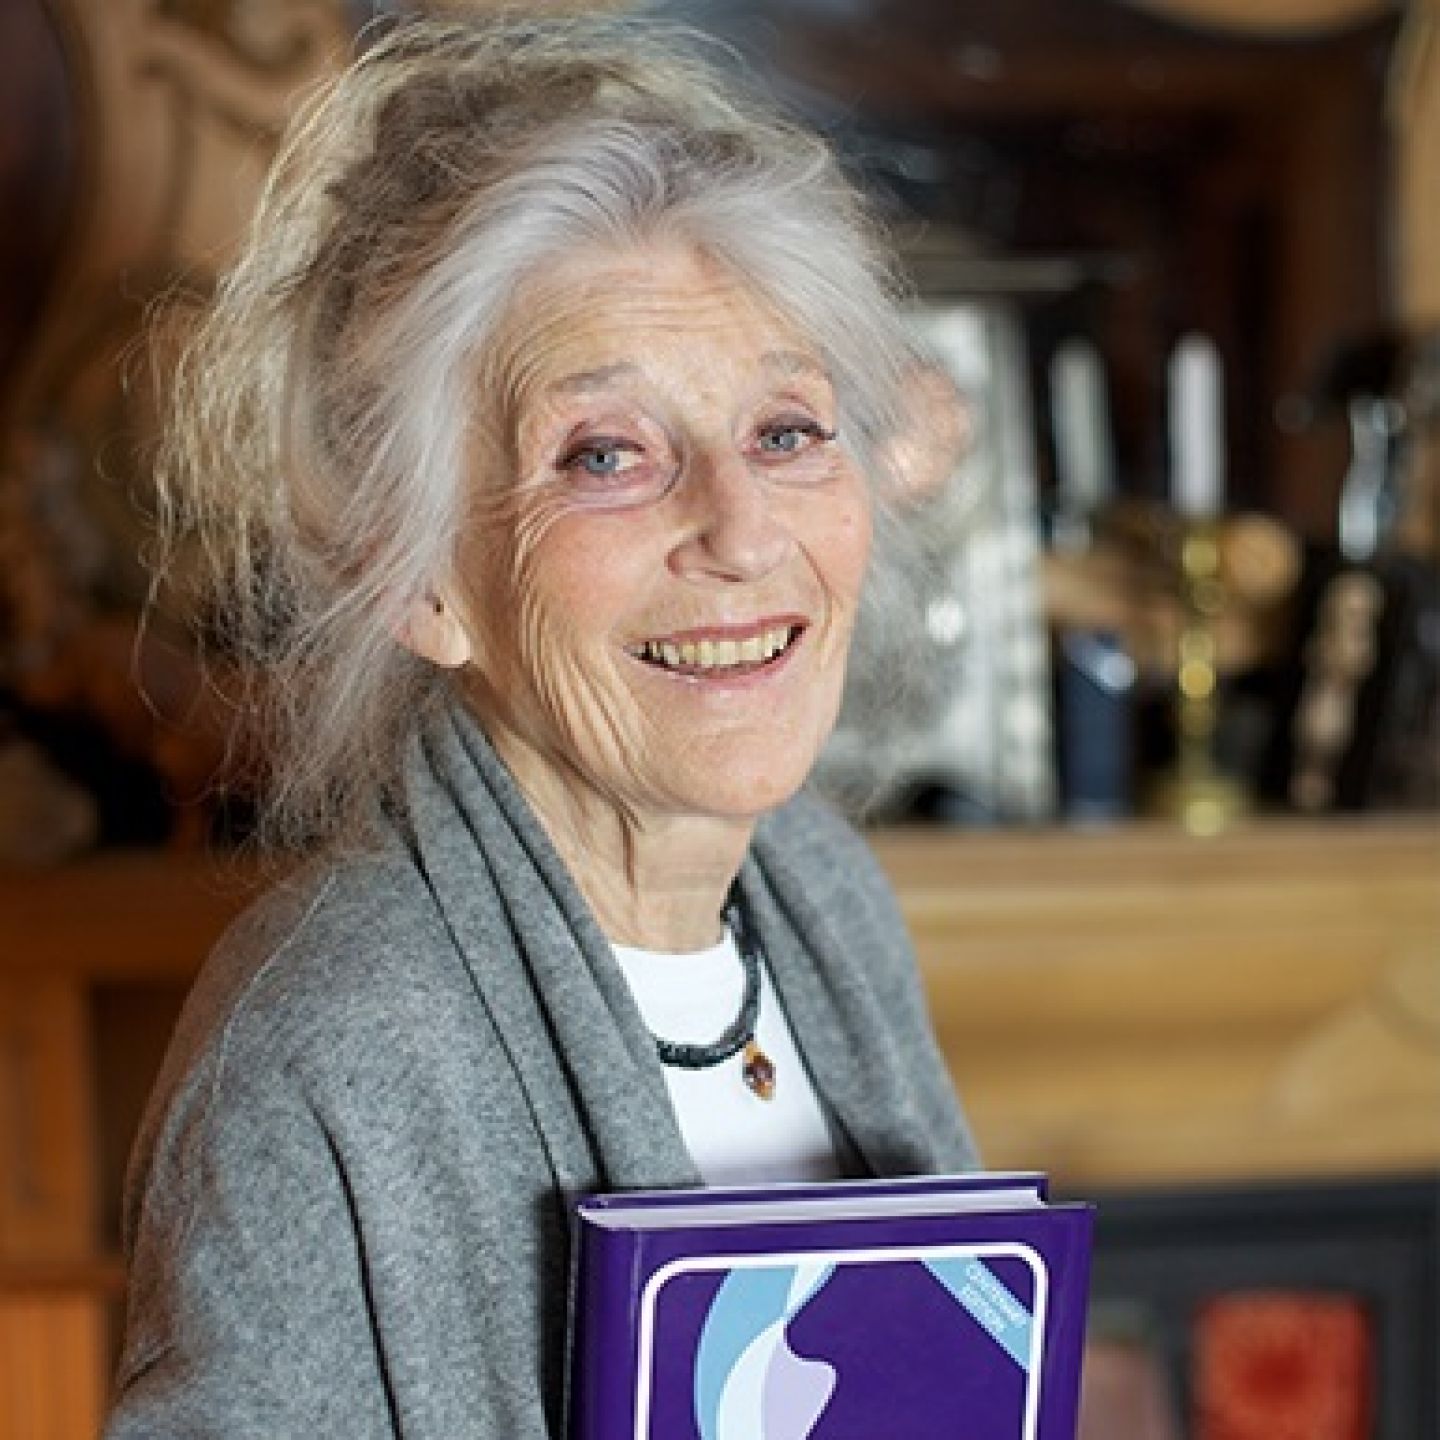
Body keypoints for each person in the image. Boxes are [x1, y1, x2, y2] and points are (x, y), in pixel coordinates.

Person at [104, 15, 976, 1438]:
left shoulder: (826, 897)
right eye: (608, 455)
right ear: (425, 581)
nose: (742, 534)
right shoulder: (330, 1043)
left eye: (785, 431)